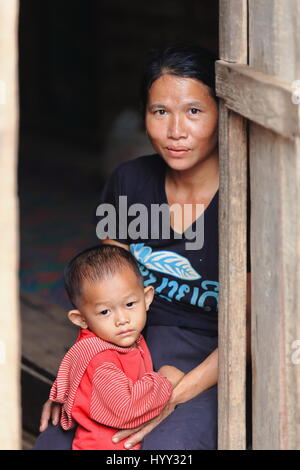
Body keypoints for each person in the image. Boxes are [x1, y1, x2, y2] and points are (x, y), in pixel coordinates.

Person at [35, 43, 251, 450]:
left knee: (161, 450)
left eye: (193, 111)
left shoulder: (248, 198)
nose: (175, 132)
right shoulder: (130, 182)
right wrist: (77, 372)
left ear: (223, 115)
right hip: (129, 348)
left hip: (217, 363)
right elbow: (103, 291)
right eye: (159, 112)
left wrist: (175, 395)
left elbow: (252, 330)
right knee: (54, 444)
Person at [34, 244, 185, 450]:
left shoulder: (115, 340)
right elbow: (126, 409)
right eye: (105, 312)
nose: (122, 320)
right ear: (81, 319)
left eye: (130, 304)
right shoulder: (102, 361)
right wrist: (165, 380)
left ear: (147, 298)